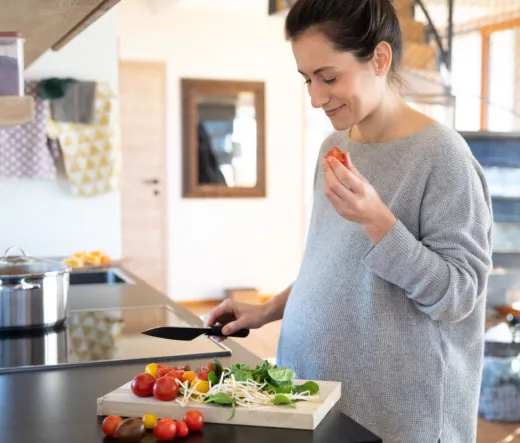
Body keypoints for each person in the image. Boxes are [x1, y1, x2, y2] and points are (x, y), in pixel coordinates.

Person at [204, 0, 493, 441]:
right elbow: (330, 265)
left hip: (395, 418)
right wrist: (267, 310)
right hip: (311, 394)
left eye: (329, 77)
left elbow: (458, 296)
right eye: (307, 79)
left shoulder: (443, 157)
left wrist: (379, 222)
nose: (316, 97)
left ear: (380, 58)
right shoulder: (333, 146)